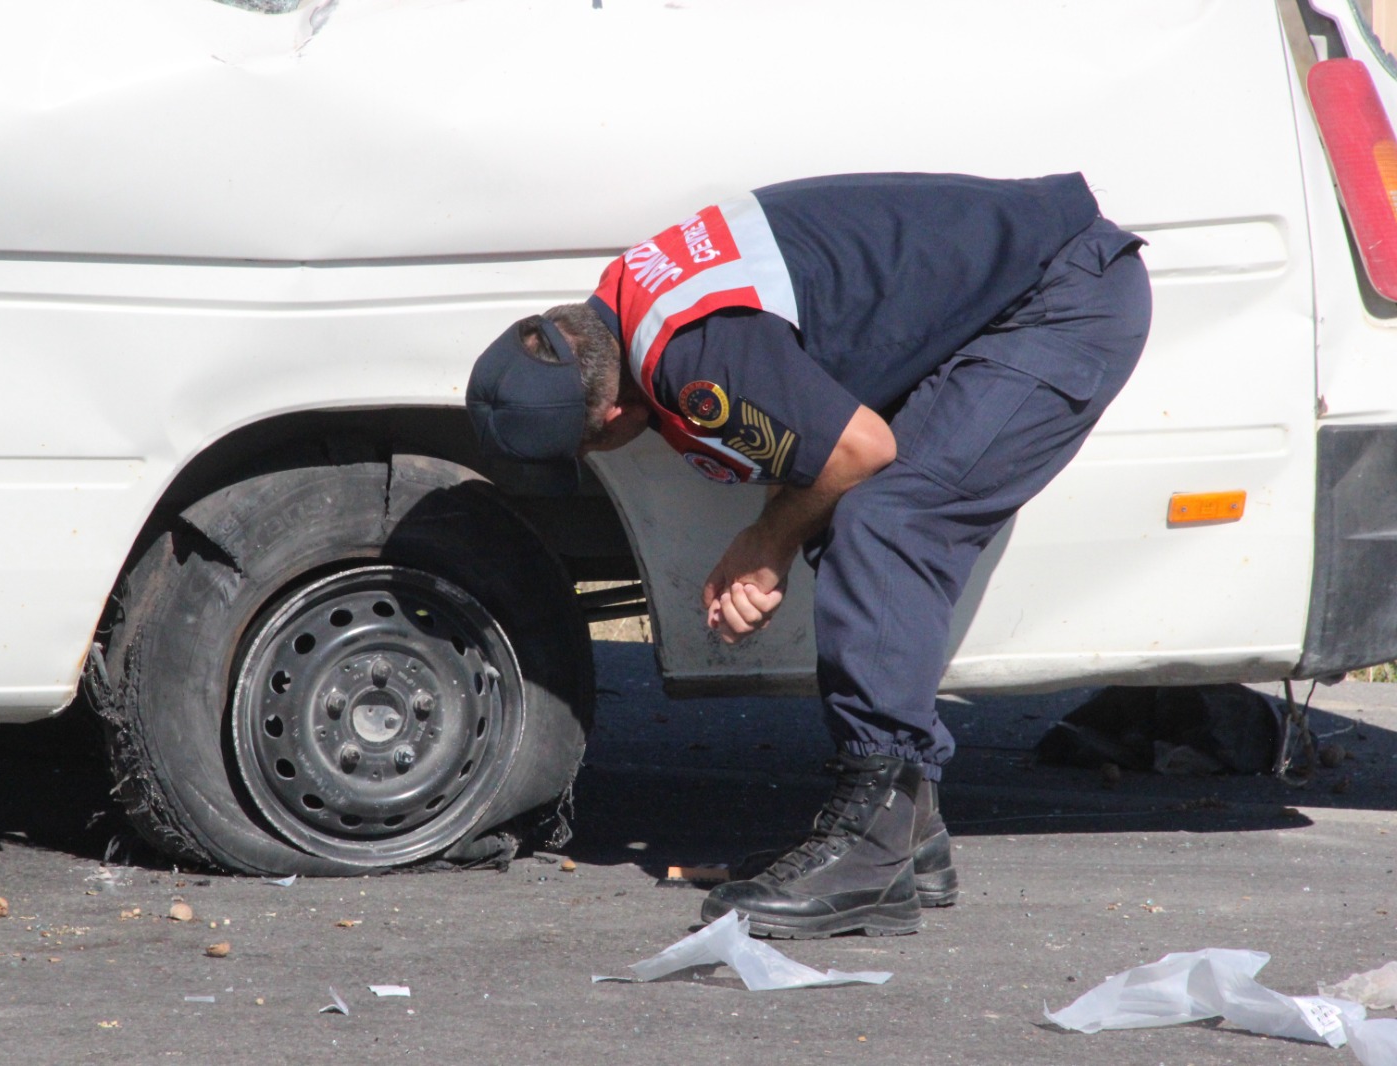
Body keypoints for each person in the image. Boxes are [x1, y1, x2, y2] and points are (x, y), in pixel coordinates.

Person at [465, 173, 1151, 939]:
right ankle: (909, 831)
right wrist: (775, 536)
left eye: (587, 446)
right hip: (1031, 282)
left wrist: (765, 543)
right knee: (851, 516)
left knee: (889, 525)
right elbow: (806, 430)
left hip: (1060, 302)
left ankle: (869, 853)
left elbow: (862, 448)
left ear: (614, 411)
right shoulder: (627, 295)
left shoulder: (692, 359)